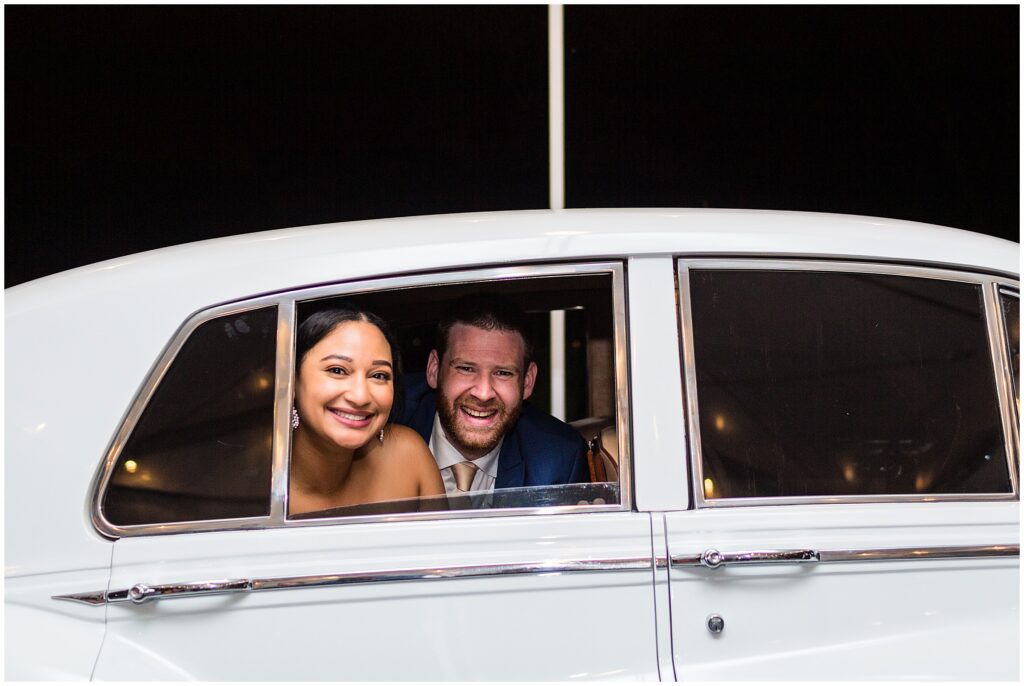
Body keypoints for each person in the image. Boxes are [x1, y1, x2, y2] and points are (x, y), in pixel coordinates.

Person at [398, 293, 589, 498]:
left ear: (527, 381)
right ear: (434, 370)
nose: (483, 393)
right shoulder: (388, 422)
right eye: (466, 368)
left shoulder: (558, 459)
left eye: (503, 373)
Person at [289, 305, 445, 516]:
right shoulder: (253, 479)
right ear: (292, 380)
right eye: (337, 370)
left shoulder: (409, 456)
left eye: (379, 375)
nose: (360, 396)